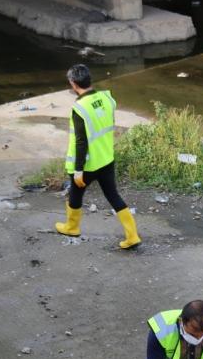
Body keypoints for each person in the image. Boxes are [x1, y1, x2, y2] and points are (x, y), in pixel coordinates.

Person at [54, 64, 141, 250]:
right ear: (89, 79)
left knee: (76, 196)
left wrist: (78, 170)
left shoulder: (80, 108)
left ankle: (72, 227)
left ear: (73, 84)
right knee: (113, 195)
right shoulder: (107, 98)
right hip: (106, 159)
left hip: (87, 164)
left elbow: (80, 142)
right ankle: (132, 235)